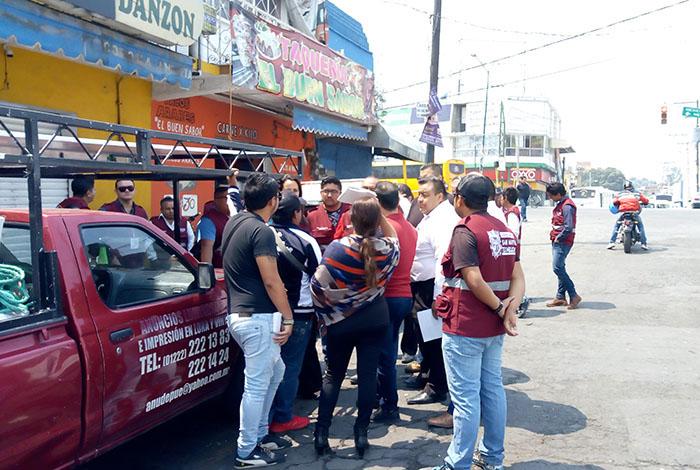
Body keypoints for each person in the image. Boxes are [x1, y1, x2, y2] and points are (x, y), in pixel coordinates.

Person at [430, 173, 525, 470]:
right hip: (492, 329)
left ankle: (456, 464)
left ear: (459, 199)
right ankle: (492, 458)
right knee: (493, 391)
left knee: (466, 400)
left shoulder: (465, 230)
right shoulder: (503, 230)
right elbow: (518, 277)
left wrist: (500, 309)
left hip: (466, 325)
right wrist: (510, 308)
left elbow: (472, 277)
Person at [311, 198, 399, 458]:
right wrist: (379, 214)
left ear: (350, 221)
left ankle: (321, 433)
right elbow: (394, 236)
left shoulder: (338, 248)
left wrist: (336, 308)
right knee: (368, 375)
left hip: (342, 322)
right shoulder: (388, 249)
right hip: (375, 318)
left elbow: (318, 286)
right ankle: (361, 434)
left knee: (333, 376)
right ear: (377, 221)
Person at [223, 173, 294, 469]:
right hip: (257, 319)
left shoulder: (236, 221)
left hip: (244, 316)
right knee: (256, 386)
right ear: (273, 201)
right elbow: (271, 280)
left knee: (276, 373)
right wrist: (288, 318)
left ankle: (260, 435)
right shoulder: (261, 231)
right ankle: (246, 449)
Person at [268, 193, 322, 434]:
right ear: (296, 214)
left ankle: (264, 419)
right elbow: (319, 279)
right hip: (298, 313)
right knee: (289, 366)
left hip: (264, 311)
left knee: (264, 368)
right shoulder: (305, 240)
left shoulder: (261, 233)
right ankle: (282, 416)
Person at [407, 177, 459, 407]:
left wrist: (439, 296)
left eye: (425, 194)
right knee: (426, 339)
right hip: (422, 286)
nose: (420, 199)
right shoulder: (431, 217)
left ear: (440, 196)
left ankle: (437, 387)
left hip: (431, 288)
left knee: (433, 341)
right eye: (419, 194)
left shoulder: (443, 220)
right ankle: (429, 377)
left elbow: (441, 261)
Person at [373, 181, 418, 423]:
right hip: (403, 295)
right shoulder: (409, 227)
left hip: (387, 297)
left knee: (385, 356)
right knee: (388, 351)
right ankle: (385, 401)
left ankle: (389, 406)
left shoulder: (387, 228)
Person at [546, 182, 582, 310]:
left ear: (559, 194)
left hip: (563, 241)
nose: (550, 197)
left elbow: (569, 226)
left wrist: (558, 237)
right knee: (561, 267)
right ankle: (560, 297)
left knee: (557, 268)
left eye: (551, 195)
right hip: (558, 239)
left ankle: (573, 295)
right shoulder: (561, 203)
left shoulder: (567, 206)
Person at [307, 176, 350, 251]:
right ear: (321, 193)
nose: (329, 195)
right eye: (326, 191)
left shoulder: (351, 213)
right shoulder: (312, 216)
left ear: (340, 193)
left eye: (333, 191)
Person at [333, 176, 379, 240]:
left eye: (372, 189)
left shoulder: (383, 215)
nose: (367, 191)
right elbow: (337, 238)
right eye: (365, 188)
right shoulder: (347, 215)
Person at [607, 181, 649, 250]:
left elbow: (614, 202)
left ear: (624, 187)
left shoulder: (620, 194)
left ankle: (611, 242)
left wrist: (619, 202)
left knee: (617, 225)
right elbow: (646, 201)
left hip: (624, 213)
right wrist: (645, 202)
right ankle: (643, 243)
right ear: (632, 186)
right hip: (634, 212)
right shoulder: (637, 193)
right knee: (640, 226)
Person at [197, 183, 230, 268]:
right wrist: (207, 274)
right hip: (220, 270)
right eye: (226, 198)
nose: (230, 201)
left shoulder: (237, 215)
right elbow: (206, 249)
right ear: (216, 200)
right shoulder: (209, 220)